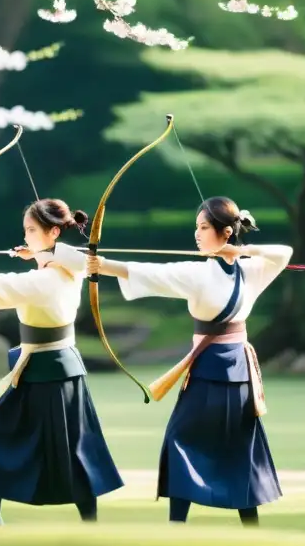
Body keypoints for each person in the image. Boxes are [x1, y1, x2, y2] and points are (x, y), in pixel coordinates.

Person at [87, 197, 292, 526]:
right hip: (220, 369)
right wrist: (99, 264)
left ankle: (202, 525)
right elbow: (146, 272)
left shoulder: (250, 270)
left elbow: (284, 252)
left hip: (228, 372)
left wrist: (243, 251)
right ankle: (188, 525)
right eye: (196, 227)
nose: (196, 234)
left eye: (203, 227)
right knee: (196, 442)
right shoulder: (200, 273)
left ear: (226, 232)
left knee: (214, 445)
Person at [0, 198, 123, 528]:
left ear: (54, 232)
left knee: (71, 447)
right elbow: (49, 266)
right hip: (41, 367)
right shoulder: (57, 269)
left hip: (54, 370)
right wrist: (39, 253)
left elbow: (6, 285)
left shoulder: (52, 277)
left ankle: (88, 523)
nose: (27, 236)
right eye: (26, 230)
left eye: (32, 230)